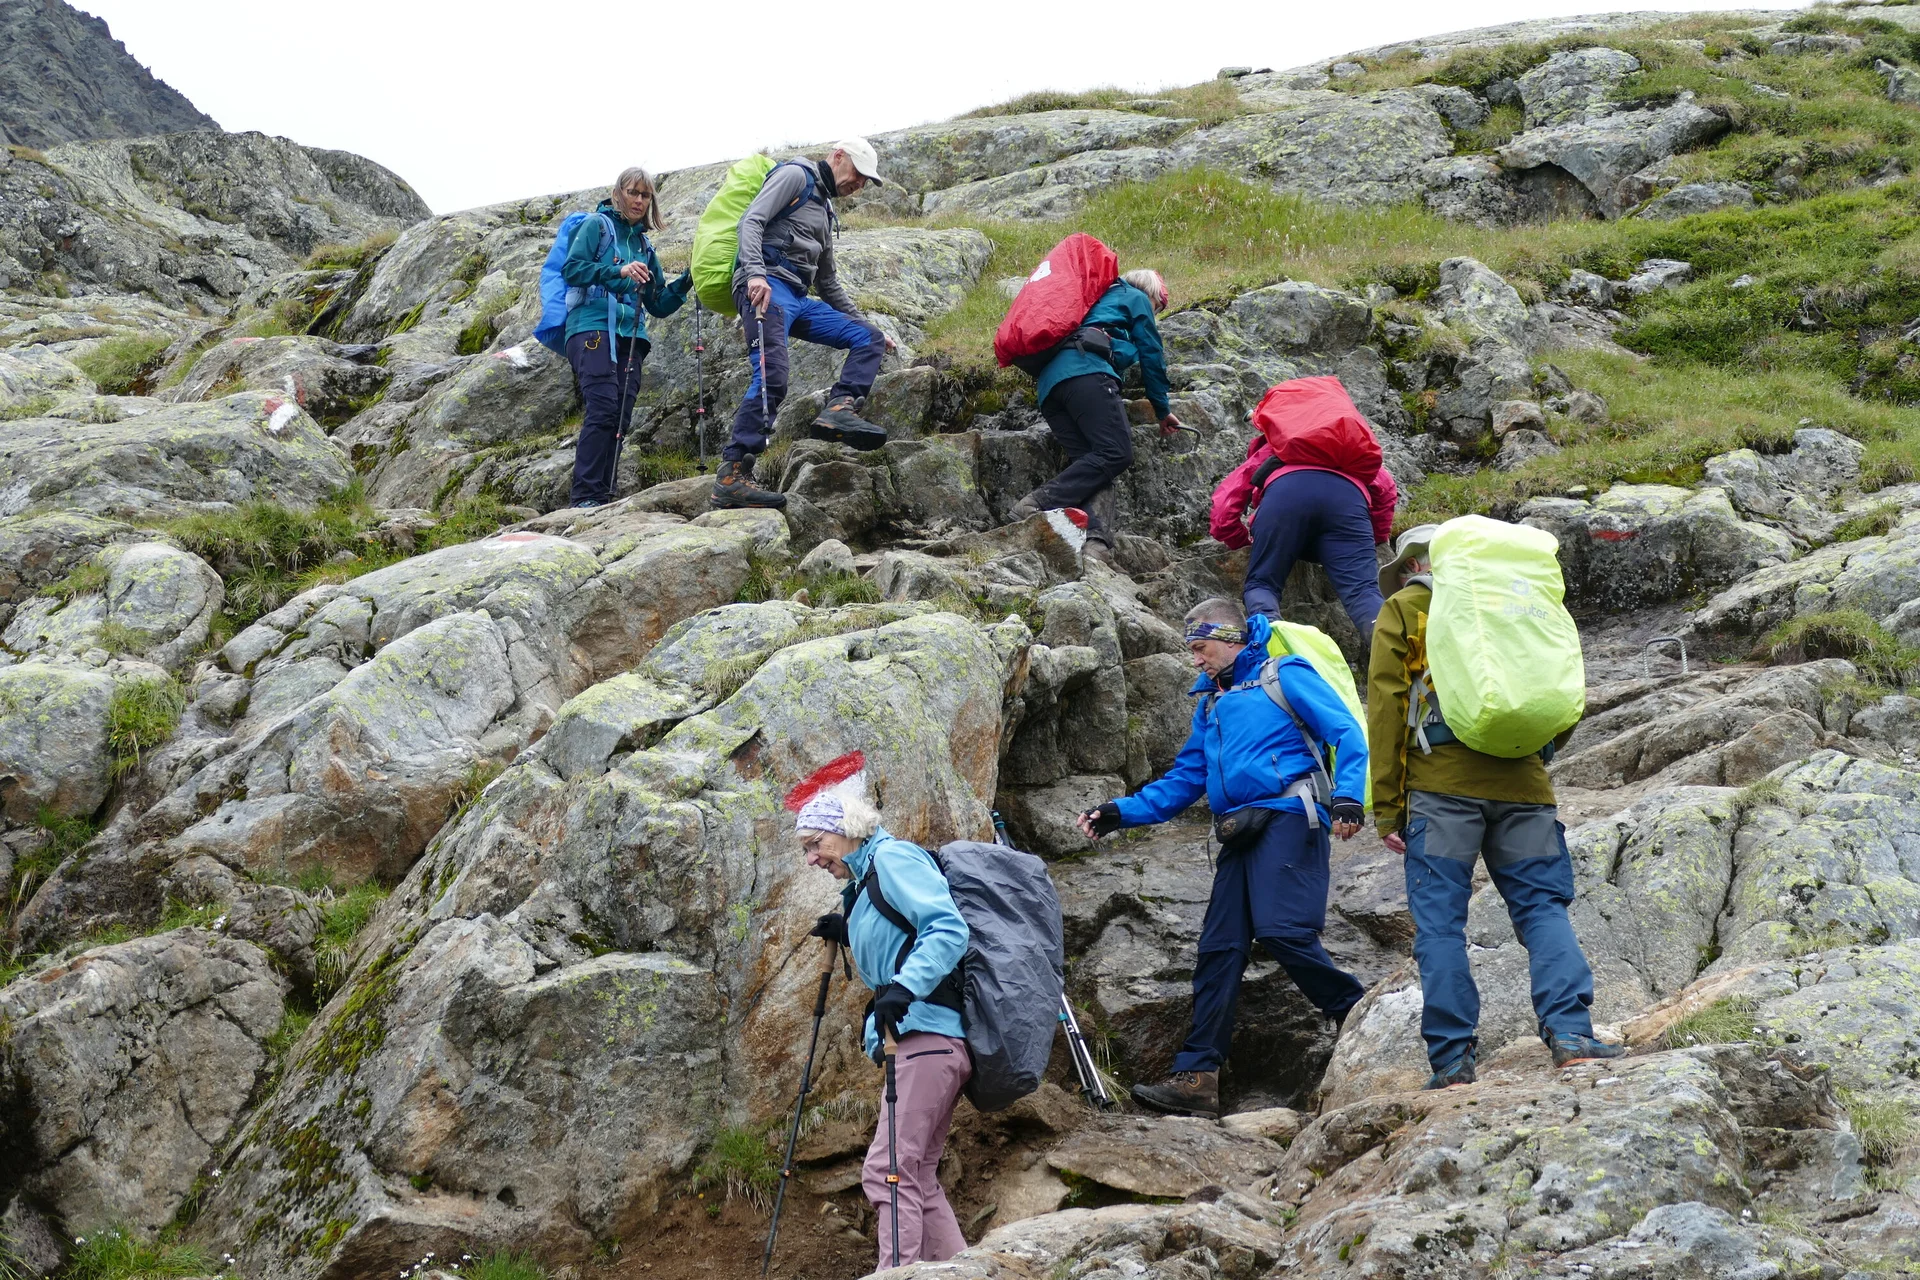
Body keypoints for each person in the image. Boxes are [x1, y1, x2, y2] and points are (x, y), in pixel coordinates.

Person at [1076, 597, 1368, 1119]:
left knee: (1283, 931)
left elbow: (1344, 731)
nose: (1195, 659)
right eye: (1191, 650)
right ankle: (1199, 1078)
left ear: (1230, 638)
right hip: (1239, 831)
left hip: (1289, 816)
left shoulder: (1285, 675)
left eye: (1200, 647)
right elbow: (1187, 778)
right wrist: (1120, 812)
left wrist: (1348, 795)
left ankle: (1359, 1013)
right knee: (1219, 947)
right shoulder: (1210, 702)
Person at [1368, 525, 1624, 1089]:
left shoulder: (1407, 607)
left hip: (1439, 792)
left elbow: (1386, 708)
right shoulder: (1516, 598)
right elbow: (1558, 685)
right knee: (1542, 910)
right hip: (1525, 785)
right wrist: (1531, 751)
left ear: (1412, 565)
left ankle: (1454, 1063)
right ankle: (1573, 1037)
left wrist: (1386, 807)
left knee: (1440, 927)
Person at [799, 792, 970, 1268]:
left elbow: (948, 928)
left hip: (926, 1037)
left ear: (849, 828)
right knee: (917, 1176)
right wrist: (849, 926)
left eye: (816, 843)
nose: (812, 858)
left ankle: (894, 1275)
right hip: (927, 1043)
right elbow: (902, 932)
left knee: (887, 1171)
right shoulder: (865, 880)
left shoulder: (893, 858)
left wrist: (903, 988)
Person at [711, 140, 895, 510]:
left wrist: (866, 324)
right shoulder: (795, 176)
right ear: (838, 156)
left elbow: (827, 283)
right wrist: (754, 274)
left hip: (796, 296)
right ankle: (732, 475)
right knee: (773, 375)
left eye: (865, 180)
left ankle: (840, 410)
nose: (858, 183)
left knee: (869, 338)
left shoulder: (825, 210)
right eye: (858, 173)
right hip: (766, 287)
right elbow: (752, 220)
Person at [1009, 268, 1180, 563]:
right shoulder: (1135, 297)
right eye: (1159, 308)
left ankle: (1097, 544)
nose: (1156, 314)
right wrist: (1162, 409)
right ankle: (1034, 504)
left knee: (1095, 463)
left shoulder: (1096, 302)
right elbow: (1152, 352)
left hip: (1051, 388)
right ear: (1152, 295)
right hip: (1087, 372)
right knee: (1117, 452)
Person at [1220, 378, 1398, 641]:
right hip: (1346, 504)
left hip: (1285, 503)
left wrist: (1242, 540)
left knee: (1262, 584)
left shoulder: (1275, 448)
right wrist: (1374, 539)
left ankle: (1274, 647)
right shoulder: (1347, 453)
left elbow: (1226, 506)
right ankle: (1399, 657)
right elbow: (1386, 491)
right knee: (1363, 592)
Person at [560, 167, 692, 508]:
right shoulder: (597, 226)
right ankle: (584, 497)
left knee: (620, 416)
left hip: (631, 336)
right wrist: (616, 271)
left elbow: (658, 303)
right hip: (591, 327)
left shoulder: (645, 248)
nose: (638, 200)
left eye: (645, 195)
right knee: (603, 408)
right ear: (618, 193)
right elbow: (572, 269)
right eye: (633, 192)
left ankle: (602, 495)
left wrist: (690, 279)